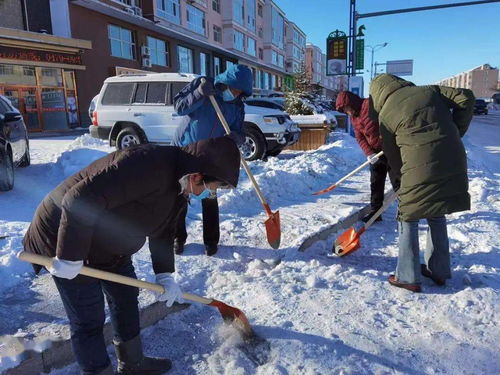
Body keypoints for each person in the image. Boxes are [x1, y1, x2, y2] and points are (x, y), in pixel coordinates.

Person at [22, 137, 241, 374]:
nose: (209, 194)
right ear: (197, 175)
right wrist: (69, 255)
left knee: (126, 299)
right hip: (65, 233)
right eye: (212, 188)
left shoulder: (180, 185)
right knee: (88, 318)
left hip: (108, 242)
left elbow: (164, 231)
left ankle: (132, 363)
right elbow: (78, 199)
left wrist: (165, 274)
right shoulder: (147, 165)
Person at [369, 74, 474, 293]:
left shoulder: (387, 112)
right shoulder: (429, 91)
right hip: (453, 159)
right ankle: (439, 270)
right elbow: (467, 98)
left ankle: (407, 276)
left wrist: (400, 181)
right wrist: (456, 131)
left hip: (419, 167)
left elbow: (392, 154)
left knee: (408, 215)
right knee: (436, 210)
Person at [172, 64, 252, 256]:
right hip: (186, 148)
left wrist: (237, 137)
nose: (235, 93)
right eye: (233, 88)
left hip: (210, 154)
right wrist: (199, 93)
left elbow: (239, 130)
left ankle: (210, 241)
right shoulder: (203, 84)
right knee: (181, 195)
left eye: (239, 91)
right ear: (225, 82)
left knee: (209, 196)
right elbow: (179, 107)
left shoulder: (237, 105)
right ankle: (178, 237)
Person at [336, 90, 396, 222]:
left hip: (391, 150)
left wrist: (390, 142)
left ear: (351, 103)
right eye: (344, 110)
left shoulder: (370, 105)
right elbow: (360, 137)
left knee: (397, 182)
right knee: (376, 183)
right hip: (376, 153)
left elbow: (390, 123)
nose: (347, 112)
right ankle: (376, 213)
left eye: (346, 108)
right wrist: (369, 153)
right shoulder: (354, 117)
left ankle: (406, 214)